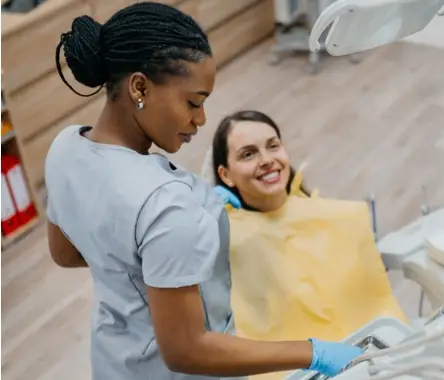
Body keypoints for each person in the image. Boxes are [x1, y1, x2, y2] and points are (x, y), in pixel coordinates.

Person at [44, 3, 362, 379]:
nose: (201, 119)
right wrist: (313, 352)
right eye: (193, 102)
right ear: (140, 86)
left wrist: (150, 257)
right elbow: (187, 350)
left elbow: (64, 252)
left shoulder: (65, 147)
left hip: (114, 361)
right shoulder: (168, 206)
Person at [207, 111, 408, 380]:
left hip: (378, 357)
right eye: (248, 154)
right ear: (225, 175)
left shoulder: (336, 216)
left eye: (273, 146)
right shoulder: (221, 240)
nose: (267, 160)